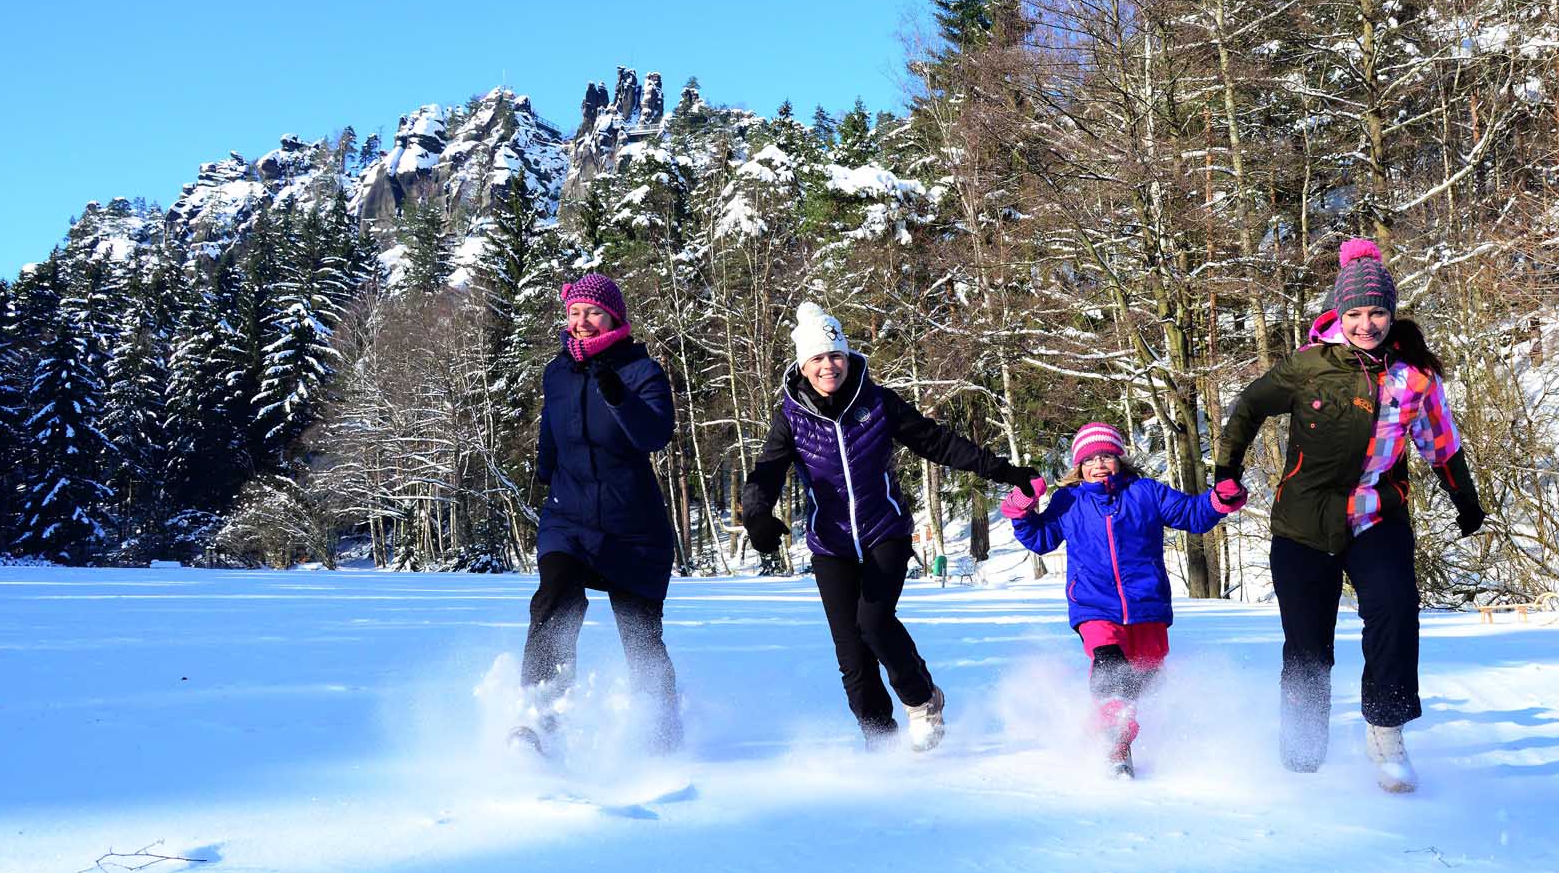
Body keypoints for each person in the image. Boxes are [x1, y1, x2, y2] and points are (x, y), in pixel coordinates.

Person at [1211, 238, 1485, 793]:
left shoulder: (1415, 380)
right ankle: (1302, 750)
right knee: (1308, 642)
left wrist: (1467, 502)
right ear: (1340, 313)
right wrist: (1226, 469)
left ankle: (1385, 730)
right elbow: (1247, 407)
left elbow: (1442, 445)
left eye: (1378, 312)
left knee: (1395, 610)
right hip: (1303, 525)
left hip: (1376, 517)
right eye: (1356, 313)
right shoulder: (1307, 367)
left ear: (1392, 313)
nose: (1367, 324)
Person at [739, 301, 1041, 750]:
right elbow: (767, 470)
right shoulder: (791, 417)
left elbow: (933, 440)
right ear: (803, 365)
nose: (829, 366)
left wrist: (1001, 470)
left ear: (847, 356)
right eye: (818, 358)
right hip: (831, 543)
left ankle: (923, 702)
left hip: (885, 531)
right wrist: (757, 514)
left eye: (835, 355)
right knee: (853, 659)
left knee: (874, 622)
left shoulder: (877, 401)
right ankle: (879, 746)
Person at [1001, 421, 1242, 778]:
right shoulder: (1070, 500)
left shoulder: (1146, 493)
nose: (1098, 464)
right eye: (1089, 460)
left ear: (1120, 459)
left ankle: (1106, 727)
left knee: (1147, 679)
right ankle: (1115, 742)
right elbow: (1041, 539)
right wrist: (1021, 510)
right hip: (1094, 605)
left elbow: (1191, 514)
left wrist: (1219, 500)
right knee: (1110, 664)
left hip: (1147, 605)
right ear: (1078, 467)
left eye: (1106, 456)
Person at [513, 271, 683, 758]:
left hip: (633, 527)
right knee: (553, 601)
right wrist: (545, 468)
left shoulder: (641, 371)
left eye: (592, 312)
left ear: (613, 317)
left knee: (641, 637)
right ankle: (539, 721)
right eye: (574, 313)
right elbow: (551, 427)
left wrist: (617, 395)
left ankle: (662, 737)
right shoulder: (557, 371)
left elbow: (654, 435)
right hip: (568, 517)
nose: (582, 322)